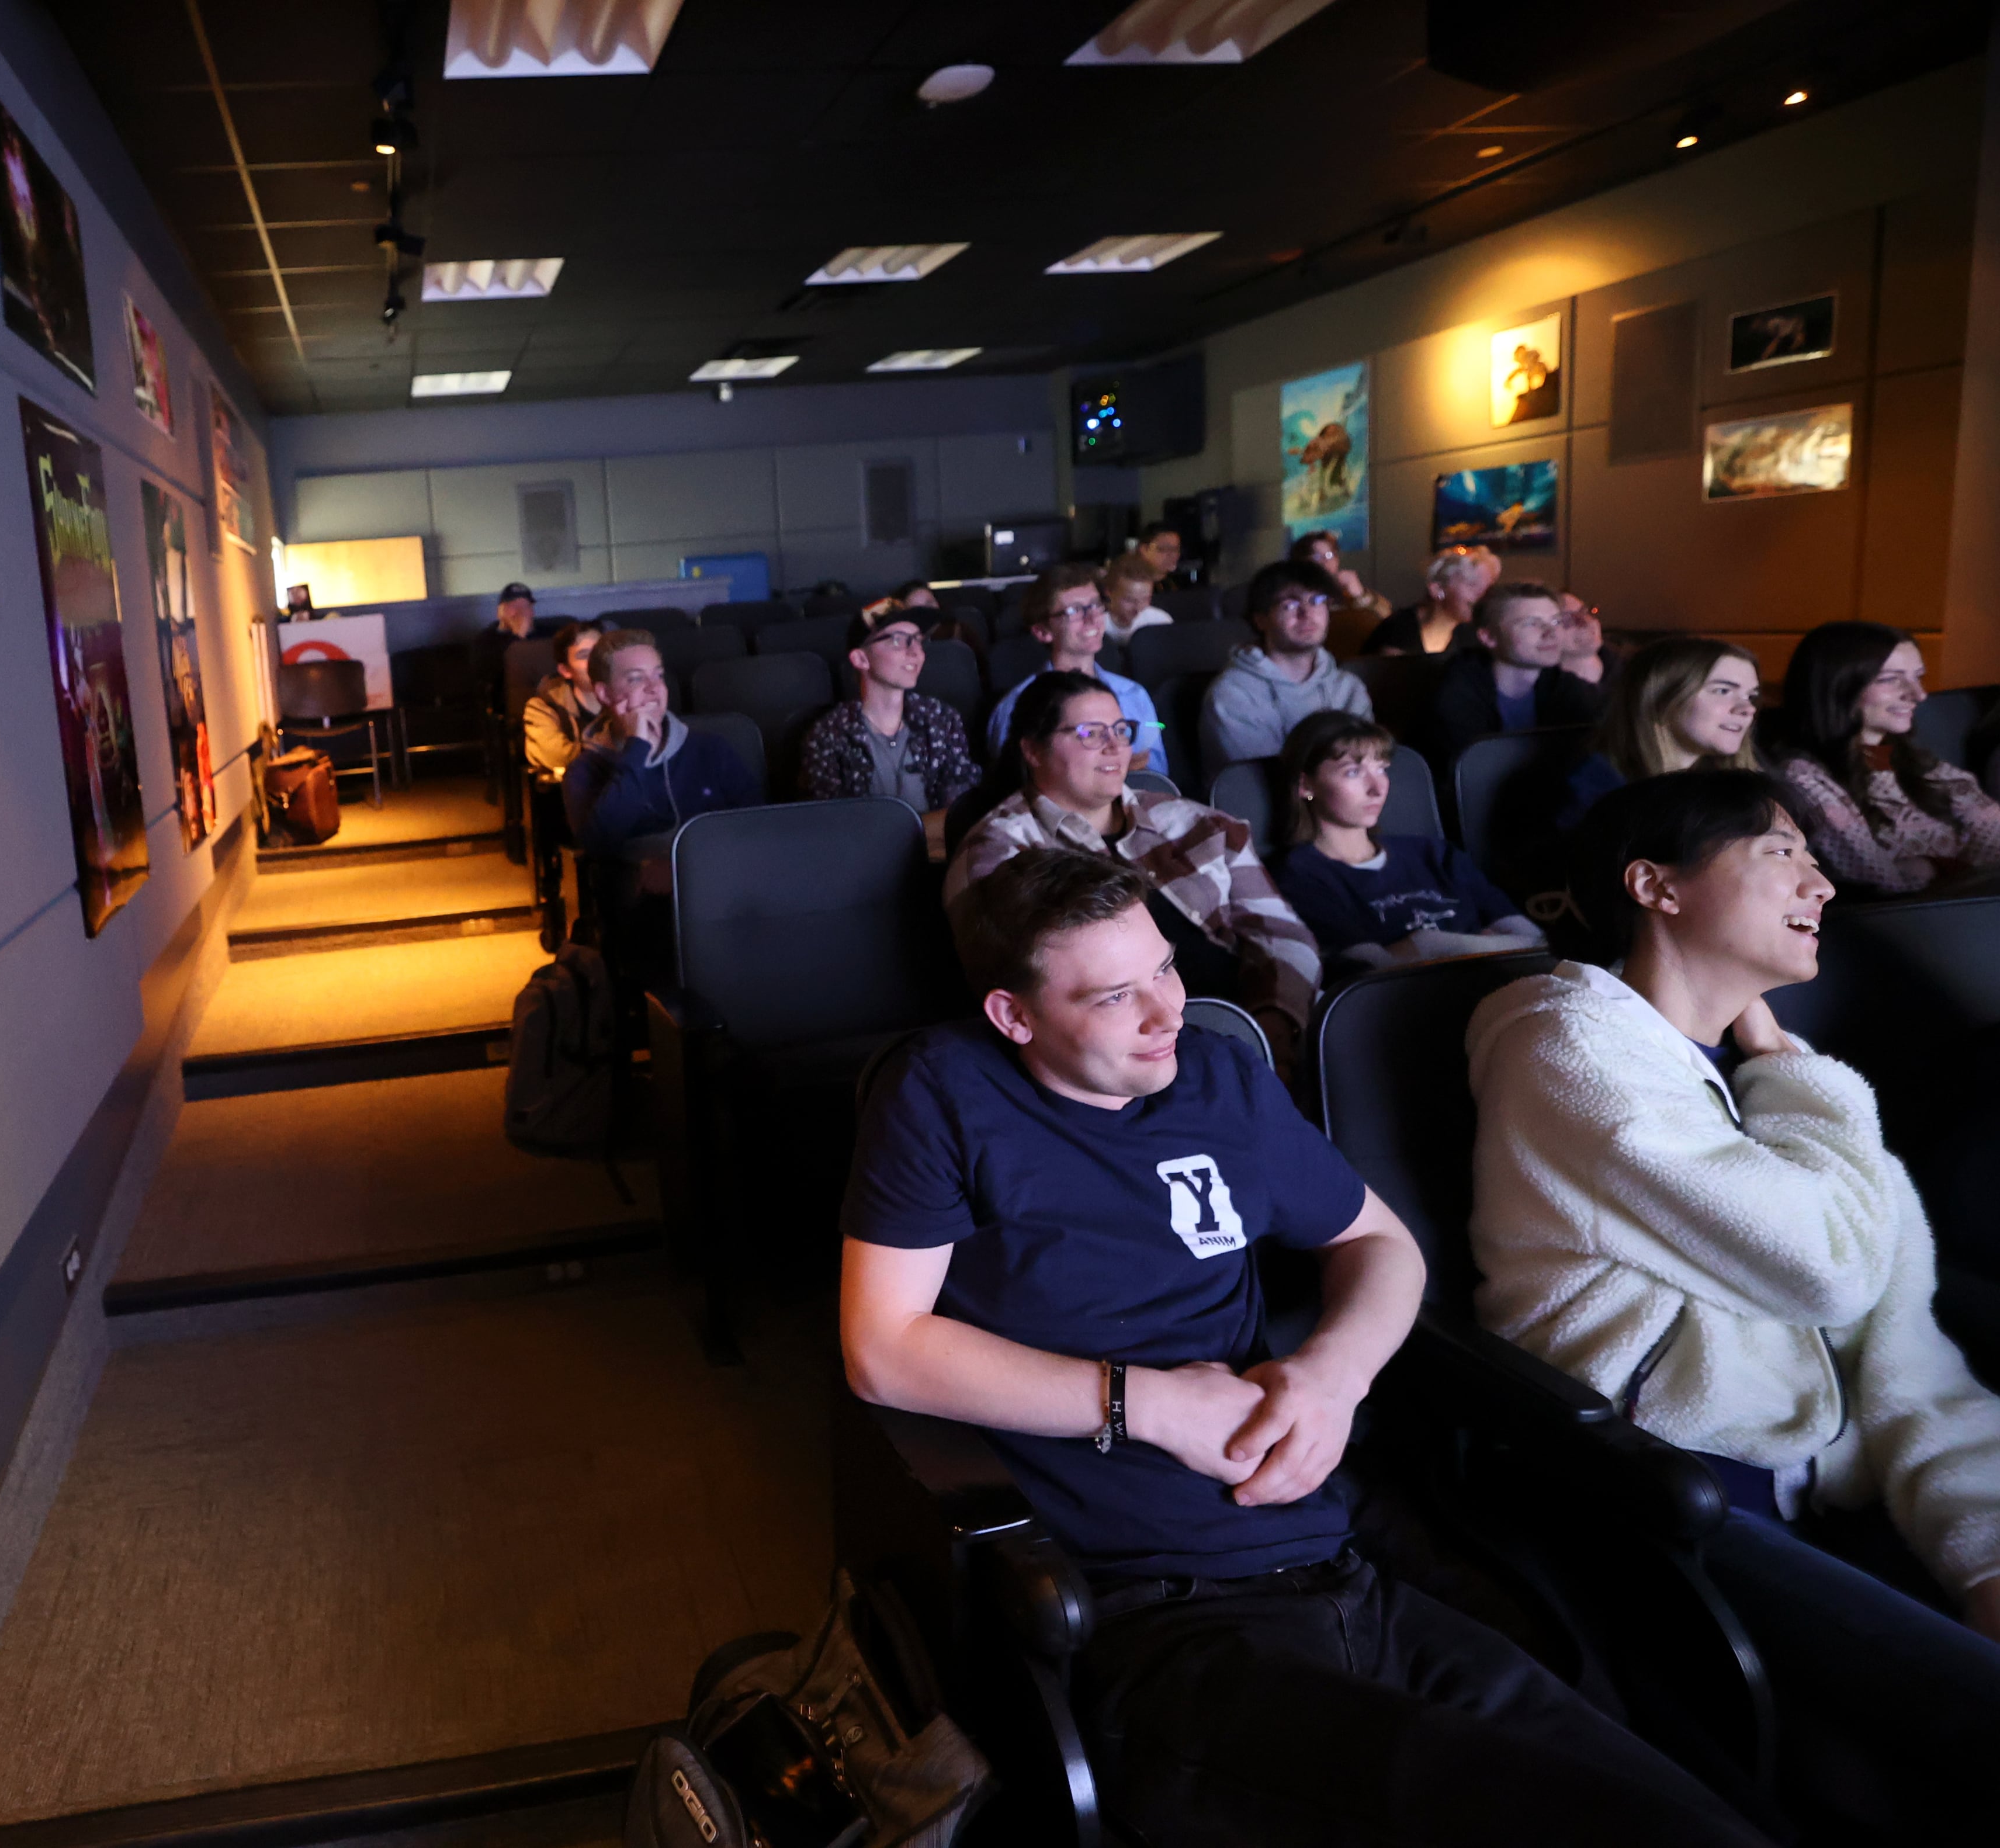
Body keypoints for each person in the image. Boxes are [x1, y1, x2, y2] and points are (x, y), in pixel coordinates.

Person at [841, 850, 1772, 1848]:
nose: (1167, 1010)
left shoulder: (1215, 1072)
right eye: (1116, 995)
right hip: (1155, 1614)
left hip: (1340, 1560)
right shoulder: (942, 1092)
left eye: (1165, 965)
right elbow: (882, 1347)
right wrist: (1143, 1402)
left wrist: (1334, 1374)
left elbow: (1379, 1244)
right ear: (1013, 1016)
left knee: (1655, 1792)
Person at [1470, 771, 2000, 1834]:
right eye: (1783, 852)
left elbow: (1905, 1346)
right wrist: (1790, 1066)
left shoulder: (1749, 1074)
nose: (1823, 883)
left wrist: (1986, 1548)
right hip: (1672, 1489)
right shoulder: (1568, 1045)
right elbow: (1831, 1267)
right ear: (1654, 885)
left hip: (1822, 1472)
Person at [949, 672, 1320, 1062]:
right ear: (1033, 750)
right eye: (1091, 733)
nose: (1114, 746)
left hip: (1249, 1025)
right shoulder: (1000, 852)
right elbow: (1026, 994)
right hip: (1119, 1056)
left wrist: (1275, 1021)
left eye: (1121, 730)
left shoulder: (1198, 822)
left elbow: (1283, 933)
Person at [1271, 710, 1540, 970]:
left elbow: (1537, 946)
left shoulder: (1435, 853)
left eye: (1381, 769)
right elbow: (1377, 973)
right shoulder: (1300, 876)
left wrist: (1422, 948)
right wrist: (1447, 943)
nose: (1377, 788)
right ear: (1306, 785)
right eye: (1353, 772)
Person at [1769, 621, 2000, 893]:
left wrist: (1935, 867)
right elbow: (1880, 883)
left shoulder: (1913, 761)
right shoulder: (1804, 778)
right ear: (1839, 686)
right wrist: (1950, 867)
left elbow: (1992, 830)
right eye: (1891, 679)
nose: (1919, 695)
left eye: (1919, 677)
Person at [561, 628, 758, 865]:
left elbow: (756, 826)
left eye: (659, 676)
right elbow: (599, 848)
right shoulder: (585, 770)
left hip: (720, 874)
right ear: (604, 693)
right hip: (637, 893)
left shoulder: (710, 750)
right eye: (636, 678)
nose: (655, 688)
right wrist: (637, 750)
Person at [1556, 636, 1761, 827]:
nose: (1747, 709)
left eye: (1750, 696)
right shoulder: (1592, 791)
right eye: (1723, 691)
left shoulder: (1742, 788)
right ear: (1660, 698)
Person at [980, 568, 1166, 775]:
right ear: (1042, 632)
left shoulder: (1134, 694)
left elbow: (1157, 777)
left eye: (1096, 605)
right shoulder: (1018, 706)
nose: (1092, 618)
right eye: (1074, 611)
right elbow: (1011, 789)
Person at [801, 606, 981, 815]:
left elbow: (962, 808)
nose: (916, 652)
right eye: (898, 640)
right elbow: (832, 822)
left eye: (917, 640)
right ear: (861, 659)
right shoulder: (830, 734)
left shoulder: (941, 719)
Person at [1198, 560, 1375, 770]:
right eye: (1290, 605)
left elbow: (1368, 764)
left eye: (1317, 600)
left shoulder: (1348, 688)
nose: (1307, 613)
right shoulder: (1233, 695)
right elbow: (1265, 782)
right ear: (1260, 620)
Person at [1422, 579, 1607, 765]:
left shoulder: (1567, 687)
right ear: (1489, 637)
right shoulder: (1455, 694)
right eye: (1532, 624)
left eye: (1556, 621)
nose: (1552, 633)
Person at [1364, 545, 1494, 656]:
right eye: (1472, 585)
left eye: (1486, 588)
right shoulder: (1399, 631)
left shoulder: (1471, 636)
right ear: (1437, 590)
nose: (1482, 595)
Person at [521, 620, 604, 776]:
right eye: (584, 656)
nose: (597, 661)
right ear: (566, 670)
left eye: (600, 652)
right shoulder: (543, 707)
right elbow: (557, 757)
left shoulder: (631, 697)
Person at [1293, 529, 1391, 652]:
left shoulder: (1351, 593)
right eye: (1317, 557)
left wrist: (1360, 594)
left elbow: (1388, 619)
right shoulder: (1294, 598)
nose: (1326, 562)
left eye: (1330, 555)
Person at [469, 581, 542, 715]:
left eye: (526, 606)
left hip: (544, 697)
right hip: (508, 705)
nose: (520, 612)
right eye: (513, 606)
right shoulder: (485, 640)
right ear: (500, 612)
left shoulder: (544, 635)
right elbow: (490, 675)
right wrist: (518, 636)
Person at [1100, 552, 1174, 652]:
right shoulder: (1097, 624)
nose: (1138, 608)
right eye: (1129, 600)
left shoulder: (1160, 621)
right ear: (1109, 592)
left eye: (1146, 599)